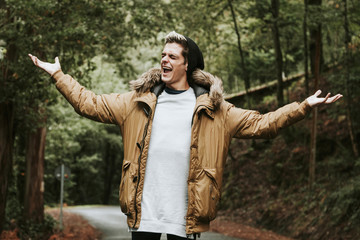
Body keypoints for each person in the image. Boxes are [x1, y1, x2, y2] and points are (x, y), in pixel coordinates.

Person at [29, 31, 342, 240]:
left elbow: (264, 124)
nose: (164, 60)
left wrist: (303, 107)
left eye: (172, 56)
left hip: (186, 217)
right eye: (162, 55)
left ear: (187, 63)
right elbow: (90, 104)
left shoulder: (216, 110)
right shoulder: (136, 102)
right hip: (144, 214)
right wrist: (59, 76)